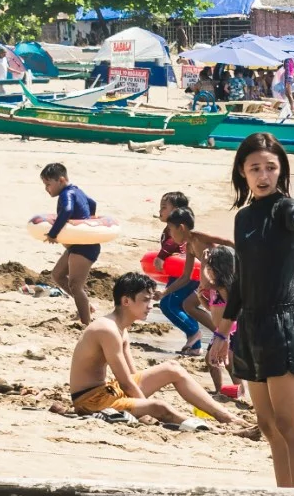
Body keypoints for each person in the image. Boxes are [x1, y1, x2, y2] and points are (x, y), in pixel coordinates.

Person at [195, 132, 294, 485]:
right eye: (255, 168)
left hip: (282, 326)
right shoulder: (243, 218)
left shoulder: (285, 207)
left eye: (271, 167)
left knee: (290, 422)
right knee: (268, 425)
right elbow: (241, 281)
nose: (264, 175)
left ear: (281, 169)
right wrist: (222, 332)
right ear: (243, 171)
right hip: (250, 328)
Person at [64, 273, 238, 428]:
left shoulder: (121, 328)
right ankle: (207, 428)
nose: (150, 305)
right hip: (90, 401)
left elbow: (132, 376)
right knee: (159, 407)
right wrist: (146, 408)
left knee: (173, 368)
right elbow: (126, 382)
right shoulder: (107, 330)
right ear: (126, 301)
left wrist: (141, 401)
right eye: (145, 300)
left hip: (108, 391)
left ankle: (226, 417)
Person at [39, 162, 101, 327]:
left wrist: (53, 234)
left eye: (48, 184)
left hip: (85, 246)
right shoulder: (78, 191)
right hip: (78, 244)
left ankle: (86, 324)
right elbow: (92, 203)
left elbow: (66, 211)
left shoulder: (67, 194)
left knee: (75, 285)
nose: (46, 189)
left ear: (60, 180)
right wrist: (90, 218)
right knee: (57, 275)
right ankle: (87, 307)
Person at [183, 245, 241, 400]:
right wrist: (202, 299)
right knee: (211, 360)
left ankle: (238, 391)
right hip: (218, 331)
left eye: (210, 266)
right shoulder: (215, 289)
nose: (208, 269)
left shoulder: (224, 286)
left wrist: (203, 263)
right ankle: (220, 389)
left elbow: (206, 283)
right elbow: (212, 308)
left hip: (231, 330)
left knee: (228, 363)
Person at [154, 200, 206, 356]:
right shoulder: (188, 245)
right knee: (185, 306)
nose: (160, 210)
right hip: (195, 278)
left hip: (215, 282)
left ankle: (196, 332)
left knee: (170, 305)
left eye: (164, 207)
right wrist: (164, 292)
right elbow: (185, 276)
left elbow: (227, 243)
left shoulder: (197, 239)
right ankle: (196, 345)